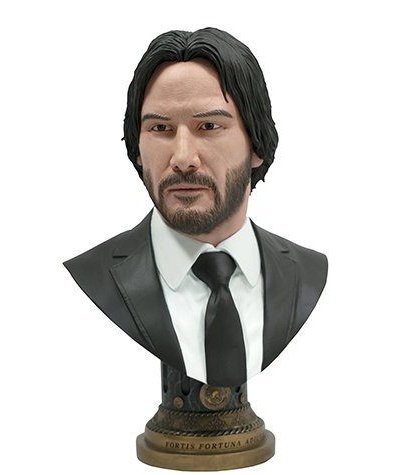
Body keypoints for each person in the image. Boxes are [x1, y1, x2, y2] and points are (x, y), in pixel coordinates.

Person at [63, 28, 328, 388]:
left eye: (209, 126)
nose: (183, 158)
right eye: (160, 128)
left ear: (257, 144)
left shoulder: (311, 274)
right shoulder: (82, 283)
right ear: (138, 149)